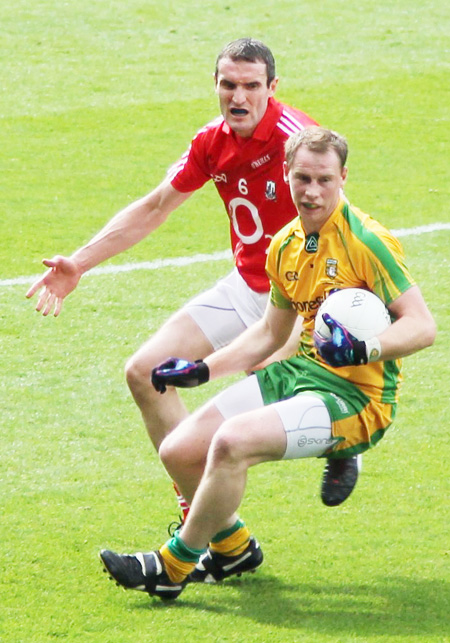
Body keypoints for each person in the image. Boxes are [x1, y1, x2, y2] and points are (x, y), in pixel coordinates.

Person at [25, 38, 357, 523]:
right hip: (248, 286)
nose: (238, 97)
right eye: (228, 85)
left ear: (272, 88)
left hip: (303, 298)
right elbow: (156, 205)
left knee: (263, 391)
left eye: (250, 86)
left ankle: (343, 433)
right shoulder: (212, 141)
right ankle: (212, 525)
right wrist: (80, 261)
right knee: (145, 372)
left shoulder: (296, 140)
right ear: (216, 85)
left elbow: (340, 224)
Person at [99, 126, 436, 600]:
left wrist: (365, 350)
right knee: (178, 450)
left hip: (355, 399)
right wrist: (203, 369)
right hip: (298, 374)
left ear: (343, 178)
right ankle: (233, 548)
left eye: (323, 179)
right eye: (302, 178)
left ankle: (171, 567)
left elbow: (423, 326)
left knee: (232, 442)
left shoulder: (368, 242)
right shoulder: (285, 244)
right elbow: (269, 333)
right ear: (287, 175)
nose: (312, 191)